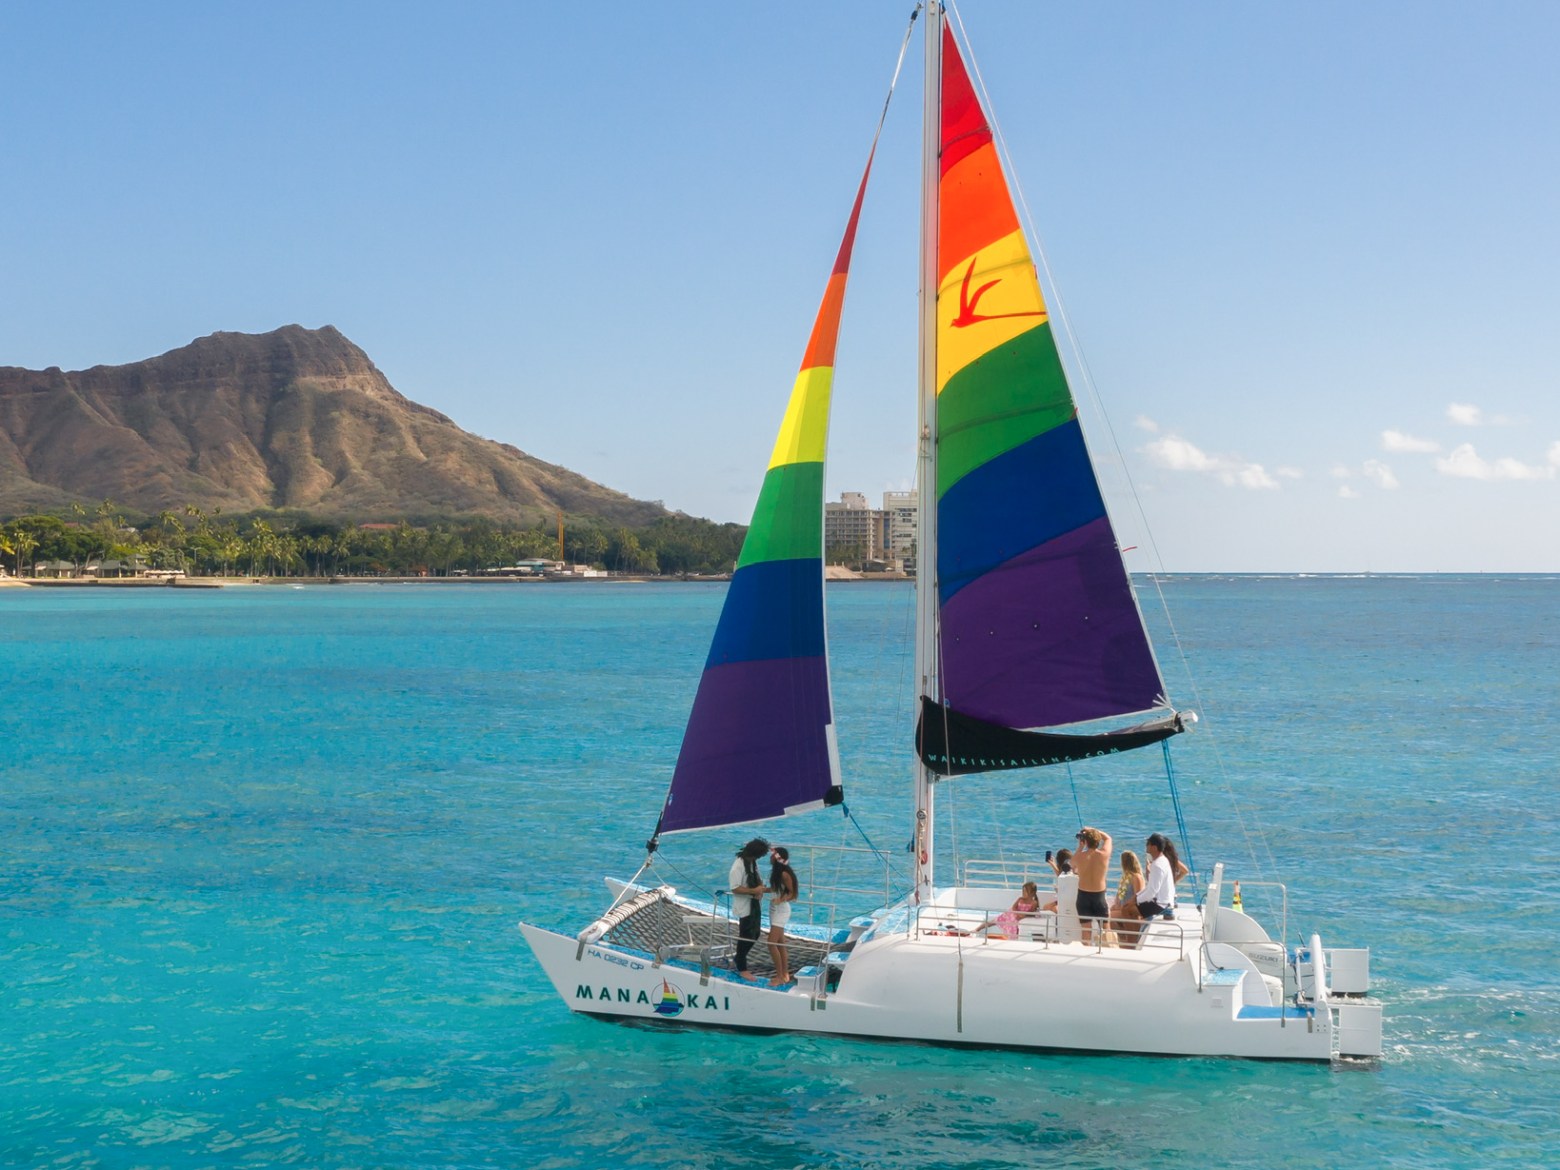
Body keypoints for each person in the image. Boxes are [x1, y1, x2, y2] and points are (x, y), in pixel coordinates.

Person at [728, 837, 770, 978]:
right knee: (746, 935)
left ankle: (739, 958)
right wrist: (754, 891)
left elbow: (756, 881)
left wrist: (761, 890)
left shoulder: (751, 862)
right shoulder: (738, 866)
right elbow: (735, 888)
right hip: (745, 905)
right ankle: (742, 966)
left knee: (755, 934)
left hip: (754, 904)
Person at [1071, 826, 1113, 946]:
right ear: (1098, 841)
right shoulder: (1104, 855)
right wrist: (1092, 830)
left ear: (1085, 841)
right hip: (1099, 896)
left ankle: (1085, 953)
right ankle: (1108, 950)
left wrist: (1080, 847)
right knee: (1106, 929)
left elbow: (1072, 864)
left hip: (1083, 896)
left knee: (1086, 930)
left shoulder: (1079, 856)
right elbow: (1108, 838)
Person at [765, 845, 799, 986]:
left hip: (781, 910)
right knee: (780, 944)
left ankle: (780, 976)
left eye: (772, 855)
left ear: (778, 858)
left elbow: (793, 893)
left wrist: (781, 899)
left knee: (771, 943)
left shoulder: (785, 874)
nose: (770, 857)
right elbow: (776, 889)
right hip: (774, 908)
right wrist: (762, 890)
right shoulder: (777, 873)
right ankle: (785, 974)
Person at [1136, 833, 1180, 929]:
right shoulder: (1163, 860)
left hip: (1161, 904)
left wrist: (1136, 900)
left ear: (1154, 847)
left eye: (1148, 843)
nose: (1146, 845)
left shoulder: (1157, 865)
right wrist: (1136, 897)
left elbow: (1152, 892)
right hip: (1164, 900)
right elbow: (1151, 887)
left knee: (1128, 909)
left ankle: (1132, 938)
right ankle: (1137, 933)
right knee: (1133, 905)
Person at [1110, 850, 1146, 948]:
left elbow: (1138, 897)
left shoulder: (1136, 877)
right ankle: (1121, 938)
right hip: (1122, 908)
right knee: (1107, 914)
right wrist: (1116, 905)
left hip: (1130, 910)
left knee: (1106, 917)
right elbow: (1120, 895)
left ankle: (1124, 940)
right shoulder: (1126, 877)